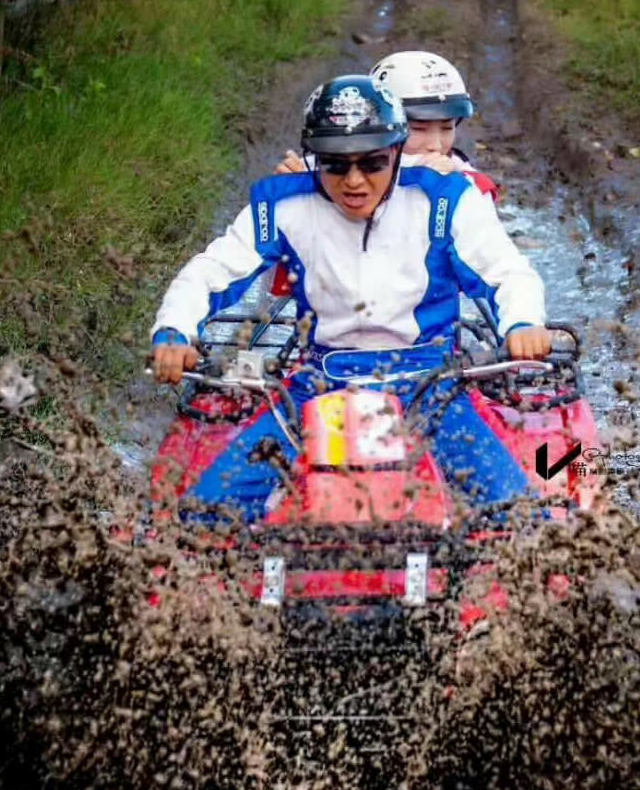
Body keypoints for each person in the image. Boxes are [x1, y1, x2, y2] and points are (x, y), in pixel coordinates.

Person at [150, 74, 549, 522]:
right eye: (336, 165)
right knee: (205, 517)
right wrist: (174, 330)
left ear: (397, 152)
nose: (354, 181)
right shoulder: (283, 205)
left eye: (373, 163)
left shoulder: (446, 200)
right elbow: (210, 271)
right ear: (313, 157)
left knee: (518, 518)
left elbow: (509, 273)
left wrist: (522, 324)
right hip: (315, 386)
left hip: (432, 388)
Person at [276, 51, 501, 201]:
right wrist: (298, 186)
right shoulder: (324, 170)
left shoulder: (469, 186)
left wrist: (446, 188)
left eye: (447, 128)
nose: (435, 145)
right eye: (419, 129)